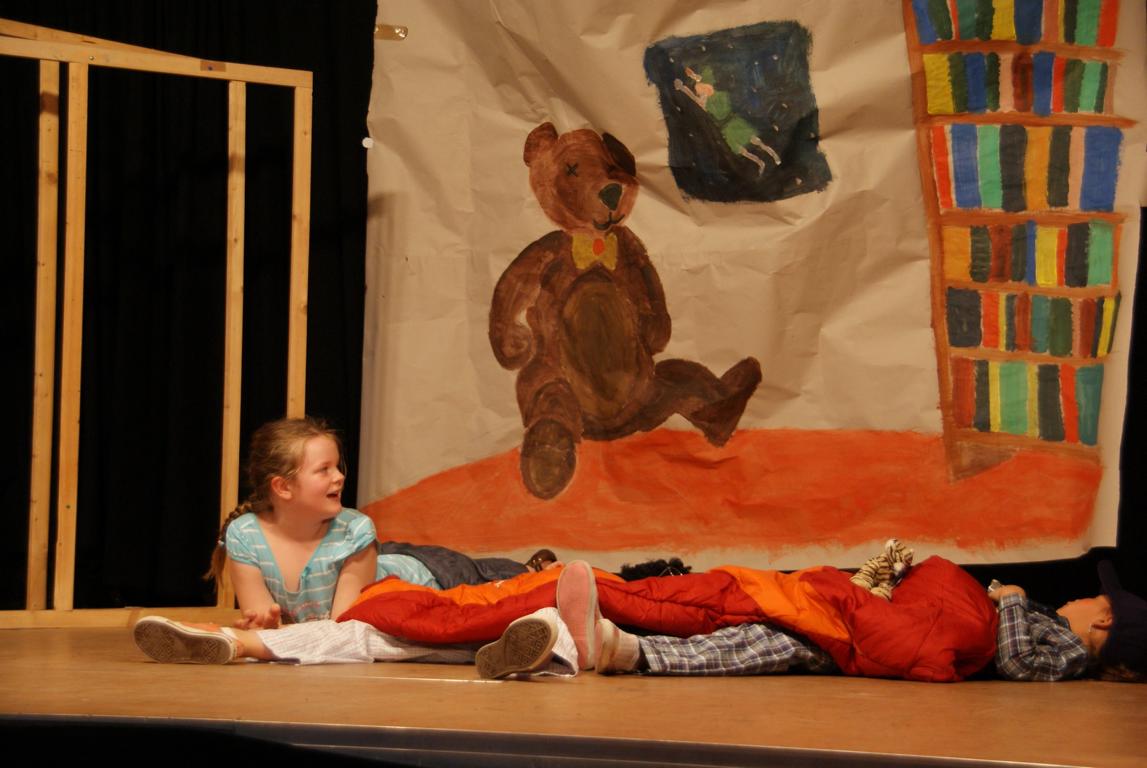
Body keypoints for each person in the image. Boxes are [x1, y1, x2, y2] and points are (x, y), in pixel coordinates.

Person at [202, 416, 558, 630]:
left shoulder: (355, 530)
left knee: (492, 583)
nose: (339, 476)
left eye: (337, 466)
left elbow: (341, 626)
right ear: (282, 488)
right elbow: (262, 616)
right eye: (323, 470)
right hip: (374, 563)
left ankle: (534, 569)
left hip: (428, 576)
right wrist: (263, 625)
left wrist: (274, 637)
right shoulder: (245, 536)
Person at [591, 561, 1147, 683]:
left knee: (783, 641)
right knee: (770, 618)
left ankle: (636, 651)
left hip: (897, 645)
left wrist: (1012, 601)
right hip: (895, 623)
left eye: (1092, 598)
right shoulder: (1057, 633)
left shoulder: (1071, 653)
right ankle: (617, 630)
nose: (1078, 598)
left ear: (1103, 622)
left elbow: (1018, 662)